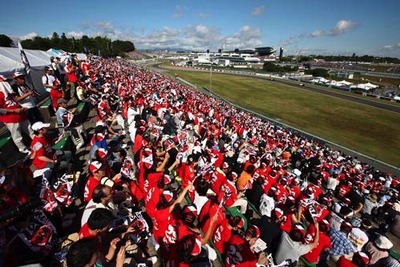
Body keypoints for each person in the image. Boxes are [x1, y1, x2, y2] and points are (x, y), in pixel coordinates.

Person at [0, 78, 32, 154]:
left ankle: (36, 141)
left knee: (29, 128)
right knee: (17, 135)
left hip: (20, 114)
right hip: (10, 118)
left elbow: (15, 100)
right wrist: (14, 111)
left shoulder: (9, 91)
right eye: (6, 82)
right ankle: (23, 150)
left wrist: (21, 108)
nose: (9, 83)